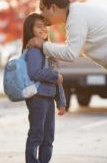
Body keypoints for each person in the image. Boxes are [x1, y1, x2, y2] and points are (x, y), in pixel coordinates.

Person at [27, 0, 107, 163]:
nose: (41, 15)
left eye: (42, 9)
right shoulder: (78, 12)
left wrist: (43, 45)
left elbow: (71, 53)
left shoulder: (76, 17)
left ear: (53, 7)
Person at [22, 13, 66, 163]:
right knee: (37, 135)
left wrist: (61, 102)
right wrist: (54, 75)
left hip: (48, 99)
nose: (43, 29)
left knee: (48, 137)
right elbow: (34, 73)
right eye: (38, 26)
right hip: (37, 98)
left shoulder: (48, 51)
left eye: (45, 26)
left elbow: (57, 80)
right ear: (30, 30)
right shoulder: (34, 51)